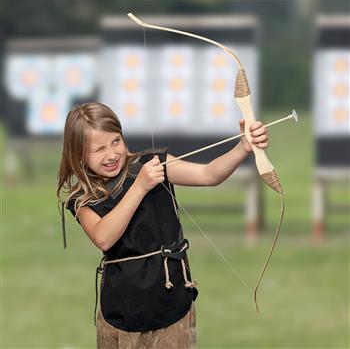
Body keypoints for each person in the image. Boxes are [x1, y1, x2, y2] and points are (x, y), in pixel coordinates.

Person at [56, 102, 269, 348]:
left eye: (116, 141)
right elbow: (104, 237)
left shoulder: (152, 165)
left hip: (172, 307)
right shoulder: (84, 198)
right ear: (79, 155)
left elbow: (209, 175)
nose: (112, 154)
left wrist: (243, 147)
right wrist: (140, 186)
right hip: (122, 314)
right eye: (99, 149)